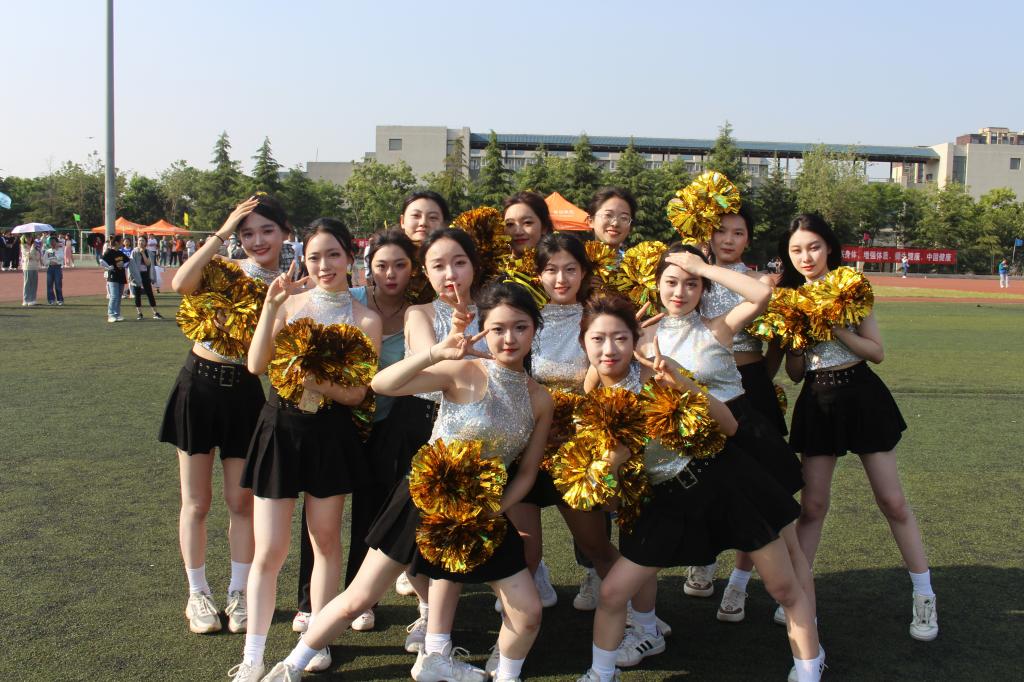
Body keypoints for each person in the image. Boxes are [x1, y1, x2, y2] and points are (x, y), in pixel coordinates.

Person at [260, 281, 552, 682]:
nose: (509, 338)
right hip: (423, 499)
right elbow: (383, 384)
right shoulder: (463, 370)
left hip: (481, 513)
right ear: (482, 328)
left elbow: (528, 472)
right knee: (359, 597)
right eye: (498, 328)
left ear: (535, 328)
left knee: (528, 612)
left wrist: (492, 511)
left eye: (520, 327)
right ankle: (290, 667)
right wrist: (435, 353)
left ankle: (506, 675)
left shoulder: (540, 399)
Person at [578, 294, 823, 682]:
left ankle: (810, 667)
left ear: (636, 339)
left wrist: (682, 383)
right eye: (598, 339)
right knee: (612, 593)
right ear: (584, 343)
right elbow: (605, 495)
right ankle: (600, 674)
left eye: (620, 338)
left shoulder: (661, 374)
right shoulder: (594, 403)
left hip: (722, 482)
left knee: (783, 587)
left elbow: (729, 426)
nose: (609, 349)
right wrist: (611, 465)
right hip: (664, 502)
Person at [227, 218, 382, 682]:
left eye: (333, 254)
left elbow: (357, 394)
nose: (324, 265)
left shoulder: (366, 319)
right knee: (270, 550)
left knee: (325, 542)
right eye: (314, 256)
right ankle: (253, 656)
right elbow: (256, 364)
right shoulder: (288, 302)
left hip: (330, 434)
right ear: (303, 259)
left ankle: (317, 637)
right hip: (279, 427)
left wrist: (313, 379)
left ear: (350, 258)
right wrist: (271, 307)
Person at [778, 213, 938, 643]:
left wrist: (833, 326)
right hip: (817, 400)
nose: (806, 257)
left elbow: (876, 352)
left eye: (813, 247)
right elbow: (795, 374)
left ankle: (924, 594)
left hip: (862, 396)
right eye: (796, 250)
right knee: (813, 506)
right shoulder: (789, 300)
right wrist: (796, 341)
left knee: (892, 501)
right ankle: (798, 594)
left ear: (828, 247)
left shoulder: (851, 285)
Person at [159, 194, 287, 640]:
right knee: (196, 503)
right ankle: (197, 593)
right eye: (247, 232)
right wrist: (223, 229)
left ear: (285, 233)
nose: (258, 240)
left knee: (240, 502)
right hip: (198, 386)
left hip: (246, 394)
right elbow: (180, 283)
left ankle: (238, 592)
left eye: (267, 230)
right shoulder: (224, 267)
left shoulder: (289, 286)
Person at [291, 229, 418, 635]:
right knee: (319, 519)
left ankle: (361, 600)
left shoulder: (419, 313)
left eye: (399, 265)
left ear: (412, 269)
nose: (390, 274)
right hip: (336, 424)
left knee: (372, 513)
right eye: (381, 265)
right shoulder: (353, 301)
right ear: (367, 266)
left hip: (383, 427)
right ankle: (308, 602)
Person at [694, 207, 805, 623]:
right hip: (703, 389)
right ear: (708, 235)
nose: (728, 239)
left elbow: (775, 344)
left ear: (748, 239)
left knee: (761, 487)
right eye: (721, 231)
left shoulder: (761, 282)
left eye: (738, 233)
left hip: (751, 388)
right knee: (706, 477)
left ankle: (739, 582)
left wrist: (759, 383)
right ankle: (704, 560)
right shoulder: (696, 279)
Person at [500, 232, 617, 619]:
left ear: (584, 272)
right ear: (538, 275)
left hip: (576, 448)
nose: (561, 279)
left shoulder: (596, 319)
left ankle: (640, 618)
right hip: (526, 445)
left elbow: (609, 379)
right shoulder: (526, 321)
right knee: (525, 551)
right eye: (551, 270)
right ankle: (514, 632)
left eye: (570, 269)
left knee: (596, 547)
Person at [398, 190, 451, 305]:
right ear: (402, 221)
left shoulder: (455, 261)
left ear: (445, 224)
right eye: (416, 216)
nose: (423, 223)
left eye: (433, 217)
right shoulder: (389, 256)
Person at [503, 191, 554, 256]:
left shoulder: (560, 260)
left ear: (544, 227)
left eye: (527, 222)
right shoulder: (493, 261)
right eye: (510, 224)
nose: (518, 232)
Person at [588, 187, 637, 253]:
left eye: (623, 218)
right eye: (608, 215)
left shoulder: (636, 259)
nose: (615, 223)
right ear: (591, 221)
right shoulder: (577, 257)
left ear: (630, 227)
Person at [127, 237, 163, 320]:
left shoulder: (148, 252)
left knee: (149, 293)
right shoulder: (134, 252)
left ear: (146, 242)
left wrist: (143, 253)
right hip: (136, 274)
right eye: (139, 240)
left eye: (142, 241)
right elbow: (131, 265)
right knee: (137, 294)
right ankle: (139, 313)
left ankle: (155, 313)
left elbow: (148, 264)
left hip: (145, 274)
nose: (140, 242)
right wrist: (130, 276)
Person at [99, 235, 128, 320]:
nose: (123, 243)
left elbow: (127, 261)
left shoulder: (120, 253)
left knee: (119, 296)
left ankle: (117, 314)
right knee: (114, 296)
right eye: (121, 241)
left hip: (121, 276)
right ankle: (111, 315)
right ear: (116, 242)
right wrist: (108, 267)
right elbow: (101, 261)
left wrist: (123, 264)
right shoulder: (109, 252)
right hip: (113, 277)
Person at [20, 236, 42, 306]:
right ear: (24, 239)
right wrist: (32, 250)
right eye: (27, 238)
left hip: (35, 267)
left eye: (30, 237)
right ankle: (26, 300)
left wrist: (33, 255)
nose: (29, 239)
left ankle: (32, 299)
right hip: (27, 267)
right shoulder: (23, 246)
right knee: (27, 284)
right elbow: (28, 255)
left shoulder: (35, 246)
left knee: (34, 284)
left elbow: (38, 256)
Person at [42, 236, 64, 305]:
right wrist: (49, 262)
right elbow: (44, 261)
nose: (52, 243)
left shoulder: (60, 250)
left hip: (58, 268)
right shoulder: (48, 251)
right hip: (50, 268)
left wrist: (55, 251)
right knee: (49, 285)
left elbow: (61, 258)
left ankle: (60, 300)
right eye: (51, 242)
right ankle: (51, 299)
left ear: (57, 242)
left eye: (54, 242)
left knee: (58, 284)